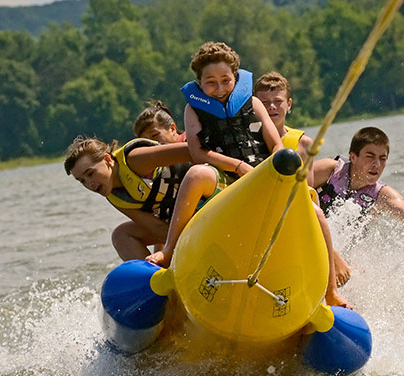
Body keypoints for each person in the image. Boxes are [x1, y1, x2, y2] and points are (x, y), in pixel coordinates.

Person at [146, 42, 349, 307]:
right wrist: (237, 166)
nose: (219, 89)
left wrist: (270, 170)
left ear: (236, 77)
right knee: (196, 174)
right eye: (211, 83)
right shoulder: (193, 109)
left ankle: (330, 291)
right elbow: (198, 153)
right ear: (199, 82)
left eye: (225, 81)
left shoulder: (252, 102)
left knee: (316, 212)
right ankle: (169, 250)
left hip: (262, 174)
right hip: (225, 177)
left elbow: (276, 144)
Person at [254, 71, 352, 293]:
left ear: (289, 104)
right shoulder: (248, 140)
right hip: (257, 211)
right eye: (264, 103)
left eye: (277, 102)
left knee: (314, 211)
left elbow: (307, 194)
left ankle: (329, 290)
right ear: (255, 107)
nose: (271, 108)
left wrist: (332, 252)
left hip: (290, 214)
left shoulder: (303, 144)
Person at [63, 136, 194, 260]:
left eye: (90, 173)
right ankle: (156, 279)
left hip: (205, 194)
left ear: (108, 159)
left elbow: (192, 150)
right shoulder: (114, 196)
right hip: (181, 218)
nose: (89, 184)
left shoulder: (135, 159)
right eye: (82, 181)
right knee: (121, 235)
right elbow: (157, 229)